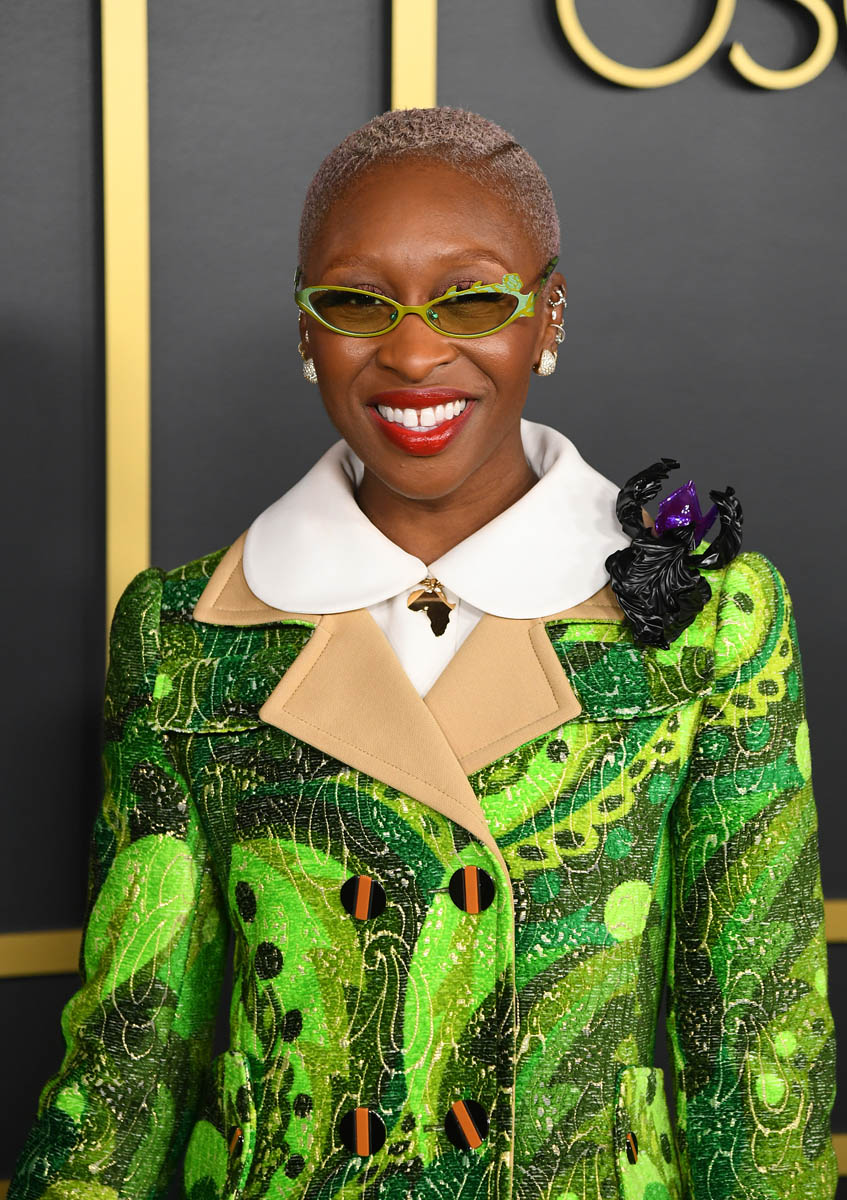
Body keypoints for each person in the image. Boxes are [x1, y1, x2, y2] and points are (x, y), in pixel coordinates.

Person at [8, 107, 837, 1200]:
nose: (410, 351)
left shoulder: (714, 618)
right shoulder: (179, 635)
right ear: (305, 329)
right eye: (355, 301)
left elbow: (760, 1049)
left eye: (472, 298)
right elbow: (127, 1061)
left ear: (547, 313)